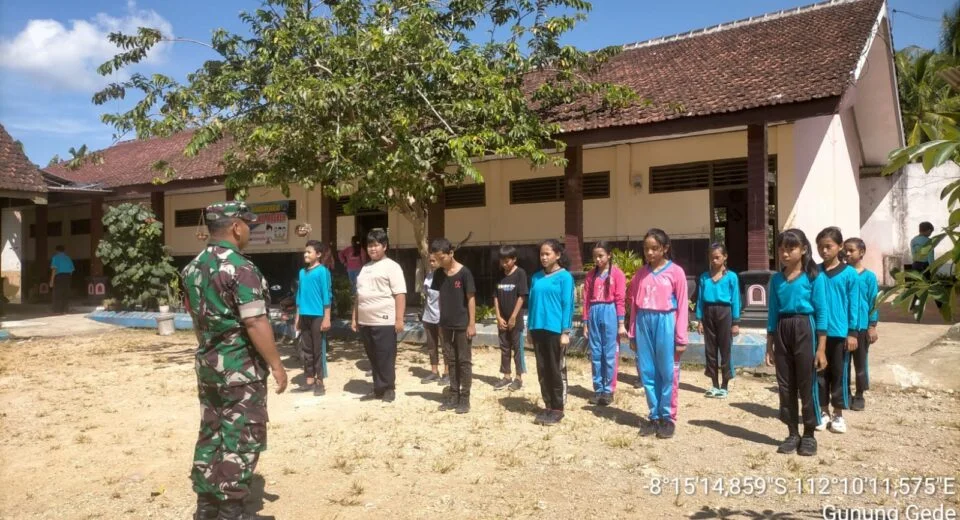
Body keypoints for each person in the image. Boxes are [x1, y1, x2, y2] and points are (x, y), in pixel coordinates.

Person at [180, 201, 288, 520]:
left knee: (211, 430)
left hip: (209, 366)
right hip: (241, 369)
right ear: (236, 227)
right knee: (241, 435)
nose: (250, 232)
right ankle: (231, 510)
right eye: (248, 226)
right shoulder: (241, 268)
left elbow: (197, 320)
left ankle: (206, 506)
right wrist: (277, 365)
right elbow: (255, 321)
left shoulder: (192, 268)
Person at [766, 228, 828, 457]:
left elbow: (822, 312)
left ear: (803, 249)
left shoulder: (813, 277)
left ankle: (809, 434)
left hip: (805, 328)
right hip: (782, 329)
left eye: (790, 248)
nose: (785, 253)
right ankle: (792, 433)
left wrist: (821, 348)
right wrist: (769, 344)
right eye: (781, 249)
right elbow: (773, 312)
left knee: (806, 382)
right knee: (785, 384)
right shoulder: (776, 280)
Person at [626, 229, 688, 440]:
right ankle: (653, 416)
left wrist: (681, 337)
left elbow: (682, 306)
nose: (650, 253)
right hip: (643, 322)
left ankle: (667, 418)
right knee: (647, 371)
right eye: (646, 249)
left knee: (667, 372)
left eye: (654, 248)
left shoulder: (676, 272)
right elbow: (634, 305)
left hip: (666, 322)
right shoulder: (640, 274)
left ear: (665, 248)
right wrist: (633, 334)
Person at [351, 229, 406, 402]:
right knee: (373, 355)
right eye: (370, 245)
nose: (372, 249)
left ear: (384, 246)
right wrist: (355, 317)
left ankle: (389, 388)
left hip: (384, 320)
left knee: (385, 355)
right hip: (365, 320)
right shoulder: (365, 268)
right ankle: (378, 388)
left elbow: (400, 294)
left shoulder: (392, 266)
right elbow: (358, 295)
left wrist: (399, 319)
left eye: (376, 245)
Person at [814, 227, 859, 434]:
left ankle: (838, 413)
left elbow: (854, 304)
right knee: (820, 374)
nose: (824, 251)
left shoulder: (850, 274)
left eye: (828, 246)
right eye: (820, 247)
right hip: (818, 333)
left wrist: (852, 332)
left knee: (839, 375)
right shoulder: (814, 272)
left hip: (840, 333)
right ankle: (823, 411)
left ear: (840, 246)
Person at [527, 239, 574, 426]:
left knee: (555, 369)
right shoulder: (536, 277)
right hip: (537, 328)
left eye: (547, 254)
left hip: (555, 330)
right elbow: (531, 304)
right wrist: (529, 329)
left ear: (558, 255)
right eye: (542, 254)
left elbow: (567, 305)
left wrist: (565, 332)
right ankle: (547, 405)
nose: (544, 257)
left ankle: (557, 408)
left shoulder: (565, 277)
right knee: (542, 369)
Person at [431, 238, 477, 414]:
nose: (439, 261)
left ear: (451, 253)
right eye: (436, 258)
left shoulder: (465, 273)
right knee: (450, 360)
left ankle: (465, 398)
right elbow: (439, 299)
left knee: (463, 361)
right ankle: (453, 395)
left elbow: (471, 298)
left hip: (462, 324)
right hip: (445, 324)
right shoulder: (438, 274)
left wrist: (471, 323)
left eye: (442, 258)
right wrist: (440, 321)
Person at [582, 241, 627, 406]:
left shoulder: (617, 274)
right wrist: (585, 323)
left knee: (609, 353)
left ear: (609, 255)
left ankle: (608, 390)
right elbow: (586, 300)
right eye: (595, 256)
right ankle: (598, 389)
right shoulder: (590, 276)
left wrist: (621, 323)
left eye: (601, 256)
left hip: (610, 312)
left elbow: (620, 300)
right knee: (596, 353)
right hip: (594, 312)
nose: (598, 259)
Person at [696, 243, 741, 398]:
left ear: (725, 257)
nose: (714, 260)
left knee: (725, 349)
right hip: (708, 312)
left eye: (717, 257)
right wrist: (700, 320)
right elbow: (700, 299)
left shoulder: (732, 277)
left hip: (725, 313)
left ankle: (724, 385)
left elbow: (735, 299)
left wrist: (735, 322)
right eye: (711, 257)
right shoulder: (704, 277)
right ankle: (714, 384)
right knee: (710, 349)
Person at [843, 237, 879, 411]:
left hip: (863, 327)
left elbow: (874, 302)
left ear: (862, 252)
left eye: (851, 250)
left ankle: (859, 394)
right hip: (844, 327)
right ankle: (845, 393)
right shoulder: (842, 274)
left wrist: (872, 325)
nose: (847, 253)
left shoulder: (869, 277)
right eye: (845, 250)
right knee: (843, 363)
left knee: (860, 362)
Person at [294, 240, 333, 396]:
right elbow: (299, 296)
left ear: (318, 254)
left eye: (309, 252)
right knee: (306, 349)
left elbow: (327, 294)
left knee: (318, 350)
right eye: (305, 251)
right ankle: (309, 380)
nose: (305, 254)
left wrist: (327, 317)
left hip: (318, 316)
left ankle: (320, 382)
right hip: (304, 315)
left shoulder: (322, 271)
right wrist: (297, 318)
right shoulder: (302, 272)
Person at [492, 245, 529, 392]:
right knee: (504, 347)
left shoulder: (520, 273)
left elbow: (522, 296)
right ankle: (506, 376)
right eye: (502, 261)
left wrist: (513, 316)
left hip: (515, 319)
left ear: (514, 259)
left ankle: (518, 378)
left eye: (507, 261)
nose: (504, 264)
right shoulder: (499, 274)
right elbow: (495, 296)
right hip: (502, 318)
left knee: (517, 348)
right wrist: (498, 316)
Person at [419, 254, 446, 385]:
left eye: (434, 261)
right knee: (431, 346)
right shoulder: (428, 277)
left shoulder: (446, 277)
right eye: (430, 261)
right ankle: (434, 372)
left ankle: (447, 373)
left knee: (446, 346)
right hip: (428, 317)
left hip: (442, 317)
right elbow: (426, 297)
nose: (431, 263)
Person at [909, 221, 943, 310]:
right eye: (930, 232)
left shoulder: (913, 240)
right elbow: (930, 256)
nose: (930, 234)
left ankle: (913, 306)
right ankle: (941, 305)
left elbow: (913, 254)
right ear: (928, 230)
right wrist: (933, 268)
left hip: (915, 265)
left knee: (919, 286)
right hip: (925, 266)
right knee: (934, 285)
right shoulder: (929, 241)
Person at [49, 245, 74, 314]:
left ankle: (57, 310)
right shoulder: (68, 258)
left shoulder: (55, 258)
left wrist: (51, 280)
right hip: (67, 276)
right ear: (64, 250)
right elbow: (71, 270)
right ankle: (65, 310)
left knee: (57, 294)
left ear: (57, 251)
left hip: (59, 277)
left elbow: (54, 270)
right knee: (65, 293)